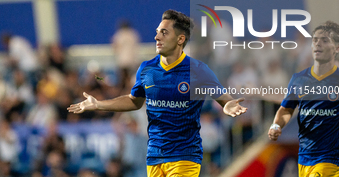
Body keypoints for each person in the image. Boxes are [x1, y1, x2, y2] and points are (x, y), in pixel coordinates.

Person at [68, 10, 247, 177]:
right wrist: (99, 104)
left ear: (180, 39)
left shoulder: (198, 70)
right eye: (157, 32)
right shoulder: (147, 69)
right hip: (155, 156)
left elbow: (224, 98)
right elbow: (134, 101)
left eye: (164, 33)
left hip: (184, 155)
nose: (156, 37)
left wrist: (229, 104)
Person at [268, 21, 339, 177]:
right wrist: (276, 125)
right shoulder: (298, 79)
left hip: (330, 158)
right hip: (305, 159)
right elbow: (286, 109)